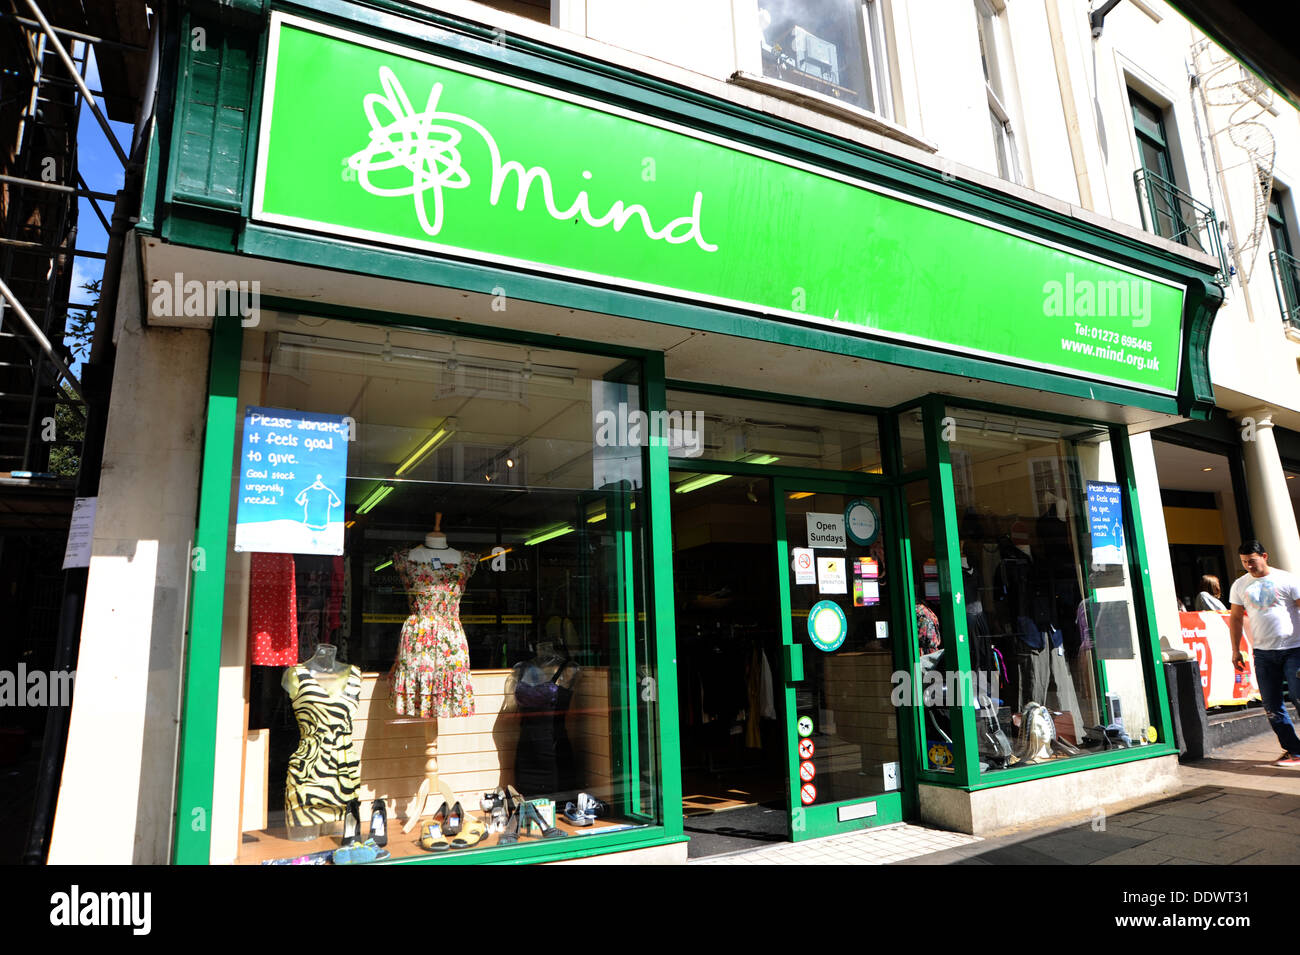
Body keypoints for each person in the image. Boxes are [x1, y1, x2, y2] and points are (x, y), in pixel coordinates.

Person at [1228, 540, 1300, 767]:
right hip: (1263, 653)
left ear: (1264, 556)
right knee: (1271, 704)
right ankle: (1294, 750)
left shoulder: (1287, 579)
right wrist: (1235, 650)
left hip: (1294, 650)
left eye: (1252, 560)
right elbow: (1236, 618)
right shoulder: (1240, 585)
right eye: (1244, 562)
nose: (1248, 565)